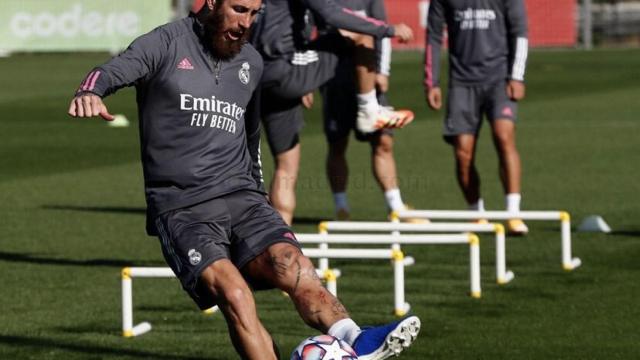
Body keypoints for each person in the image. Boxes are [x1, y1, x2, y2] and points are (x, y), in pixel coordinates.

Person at [67, 0, 421, 359]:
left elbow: (249, 140)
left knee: (292, 264)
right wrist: (90, 92)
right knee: (235, 295)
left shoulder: (251, 62)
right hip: (183, 209)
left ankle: (355, 338)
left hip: (243, 197)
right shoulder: (166, 42)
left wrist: (260, 197)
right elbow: (110, 71)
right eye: (238, 9)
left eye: (254, 13)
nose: (245, 22)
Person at [250, 0, 416, 225]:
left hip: (255, 75)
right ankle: (369, 110)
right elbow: (331, 14)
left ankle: (281, 246)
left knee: (285, 165)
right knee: (361, 35)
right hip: (284, 68)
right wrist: (388, 30)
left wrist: (304, 80)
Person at [424, 0, 530, 234]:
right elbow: (433, 36)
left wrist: (517, 76)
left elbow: (519, 32)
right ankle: (476, 214)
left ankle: (513, 213)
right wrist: (432, 82)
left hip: (499, 79)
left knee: (504, 137)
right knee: (463, 153)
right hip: (461, 83)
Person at [318, 0, 415, 220]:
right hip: (335, 79)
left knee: (383, 142)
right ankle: (341, 206)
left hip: (369, 78)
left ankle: (396, 206)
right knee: (337, 144)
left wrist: (383, 71)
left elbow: (382, 27)